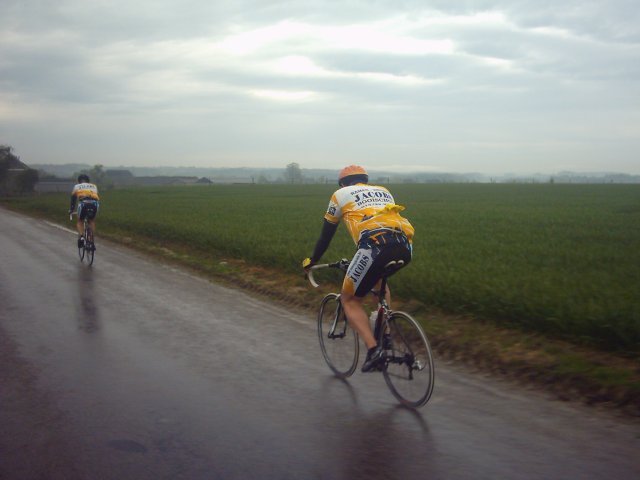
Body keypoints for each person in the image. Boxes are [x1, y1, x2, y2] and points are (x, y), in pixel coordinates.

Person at [303, 165, 414, 372]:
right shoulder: (384, 191)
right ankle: (386, 335)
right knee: (379, 281)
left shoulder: (340, 194)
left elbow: (326, 236)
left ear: (343, 183)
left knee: (349, 299)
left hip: (374, 247)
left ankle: (374, 350)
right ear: (365, 179)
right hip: (404, 246)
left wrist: (312, 260)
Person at [69, 174, 100, 249]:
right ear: (88, 180)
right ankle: (91, 241)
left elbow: (73, 198)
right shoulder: (94, 186)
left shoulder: (77, 186)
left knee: (80, 221)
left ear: (79, 181)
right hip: (95, 204)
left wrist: (71, 209)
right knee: (91, 221)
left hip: (83, 204)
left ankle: (82, 237)